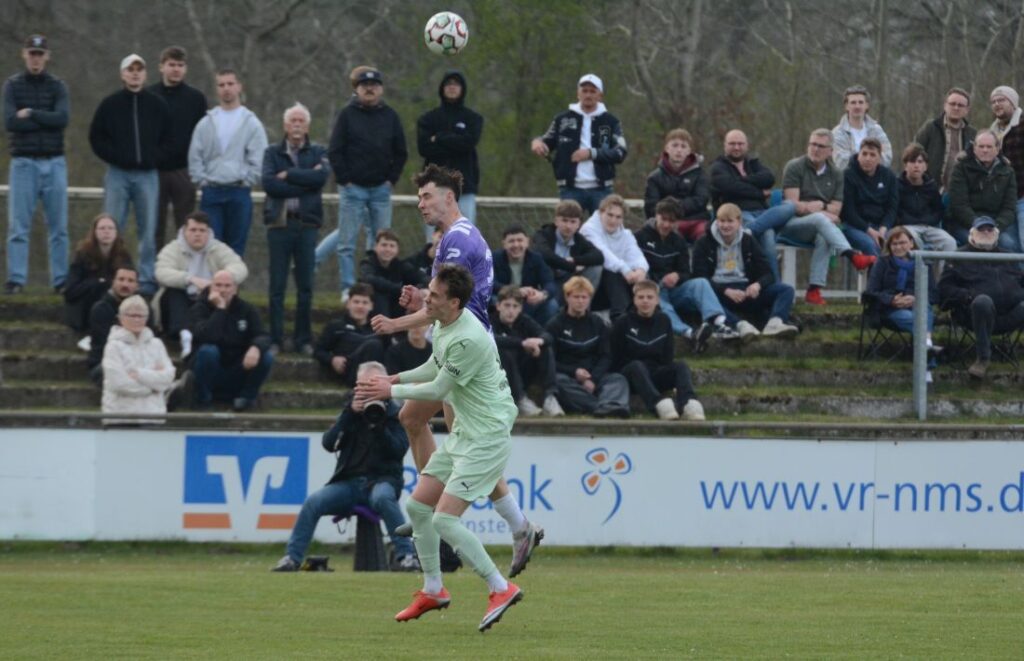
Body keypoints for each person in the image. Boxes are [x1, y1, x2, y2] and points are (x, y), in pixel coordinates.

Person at [370, 165, 542, 578]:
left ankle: (489, 521)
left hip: (466, 353)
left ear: (449, 197)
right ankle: (515, 526)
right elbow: (436, 303)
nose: (421, 204)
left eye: (427, 196)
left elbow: (441, 308)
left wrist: (396, 323)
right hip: (456, 345)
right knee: (415, 419)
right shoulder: (454, 238)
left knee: (462, 441)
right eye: (419, 198)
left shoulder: (457, 240)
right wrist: (418, 303)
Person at [355, 265, 524, 631]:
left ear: (455, 302)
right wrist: (394, 378)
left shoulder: (468, 338)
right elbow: (434, 365)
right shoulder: (445, 325)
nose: (425, 298)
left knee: (444, 519)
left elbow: (437, 390)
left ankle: (501, 587)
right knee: (418, 508)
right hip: (466, 433)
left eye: (432, 295)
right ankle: (433, 589)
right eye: (427, 291)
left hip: (487, 437)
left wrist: (389, 391)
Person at [273, 361, 418, 573]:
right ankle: (291, 558)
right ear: (356, 386)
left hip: (383, 480)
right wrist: (349, 414)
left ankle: (406, 556)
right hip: (349, 483)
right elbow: (328, 443)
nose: (368, 391)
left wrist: (379, 425)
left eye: (373, 385)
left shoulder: (396, 413)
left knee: (383, 498)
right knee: (314, 502)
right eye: (363, 385)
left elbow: (398, 450)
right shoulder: (350, 410)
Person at [320, 66, 407, 297]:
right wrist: (345, 180)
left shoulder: (390, 116)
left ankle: (374, 287)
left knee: (380, 245)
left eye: (374, 86)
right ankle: (348, 289)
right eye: (364, 86)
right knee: (346, 243)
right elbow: (335, 150)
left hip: (381, 190)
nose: (369, 89)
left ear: (381, 89)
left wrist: (391, 179)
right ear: (357, 89)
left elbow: (400, 152)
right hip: (353, 189)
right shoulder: (347, 115)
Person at [89, 53, 171, 296]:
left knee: (148, 229)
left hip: (147, 176)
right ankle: (111, 275)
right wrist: (117, 157)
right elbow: (96, 138)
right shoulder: (110, 104)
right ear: (123, 74)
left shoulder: (157, 105)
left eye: (139, 69)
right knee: (111, 228)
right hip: (118, 174)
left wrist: (152, 158)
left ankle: (145, 278)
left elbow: (169, 139)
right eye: (130, 69)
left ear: (145, 74)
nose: (135, 73)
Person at [3, 34, 69, 295]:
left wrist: (30, 113)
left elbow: (62, 119)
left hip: (54, 162)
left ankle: (60, 281)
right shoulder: (12, 85)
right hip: (23, 163)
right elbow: (10, 122)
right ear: (24, 55)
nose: (36, 58)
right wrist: (45, 118)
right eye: (32, 53)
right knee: (18, 227)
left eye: (40, 54)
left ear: (47, 57)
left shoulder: (58, 86)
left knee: (58, 228)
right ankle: (17, 279)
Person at [262, 102, 329, 355]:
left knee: (306, 286)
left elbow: (321, 178)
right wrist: (304, 180)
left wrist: (288, 174)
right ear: (285, 125)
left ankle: (303, 339)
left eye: (301, 121)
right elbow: (269, 184)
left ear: (308, 125)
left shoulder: (318, 151)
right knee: (277, 286)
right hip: (279, 225)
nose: (297, 125)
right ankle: (276, 339)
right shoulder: (271, 152)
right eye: (293, 121)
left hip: (307, 224)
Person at [782, 128, 877, 305]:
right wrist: (822, 212)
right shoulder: (794, 167)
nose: (815, 149)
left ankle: (814, 291)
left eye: (820, 146)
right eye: (812, 144)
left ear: (830, 151)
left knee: (824, 234)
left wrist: (821, 206)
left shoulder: (836, 174)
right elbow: (792, 206)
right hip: (791, 225)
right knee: (823, 220)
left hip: (819, 227)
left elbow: (836, 210)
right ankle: (852, 255)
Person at [187, 69, 268, 257]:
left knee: (235, 250)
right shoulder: (207, 122)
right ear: (216, 89)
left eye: (230, 84)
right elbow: (195, 155)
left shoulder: (251, 123)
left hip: (239, 192)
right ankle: (212, 287)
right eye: (221, 85)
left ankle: (232, 287)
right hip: (212, 192)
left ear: (239, 86)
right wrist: (202, 180)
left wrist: (247, 179)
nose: (226, 89)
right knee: (211, 248)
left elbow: (259, 157)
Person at [692, 203, 800, 340]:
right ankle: (739, 325)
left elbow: (768, 273)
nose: (725, 226)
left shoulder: (748, 240)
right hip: (719, 291)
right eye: (722, 221)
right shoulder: (703, 242)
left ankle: (775, 323)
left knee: (786, 290)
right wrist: (725, 290)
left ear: (739, 222)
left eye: (730, 221)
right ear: (716, 222)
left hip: (746, 289)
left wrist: (757, 285)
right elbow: (699, 276)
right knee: (706, 298)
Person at [635, 198, 734, 346]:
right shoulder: (639, 237)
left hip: (674, 290)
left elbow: (686, 272)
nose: (667, 224)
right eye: (664, 219)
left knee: (700, 283)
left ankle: (719, 322)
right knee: (661, 304)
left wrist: (677, 276)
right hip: (651, 290)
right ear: (656, 215)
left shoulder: (678, 241)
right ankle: (690, 333)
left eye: (672, 221)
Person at [938, 217, 1024, 379]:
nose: (986, 232)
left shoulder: (1009, 256)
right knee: (982, 301)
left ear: (996, 233)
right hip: (973, 314)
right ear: (972, 233)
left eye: (989, 229)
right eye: (981, 229)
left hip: (1010, 314)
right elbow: (944, 288)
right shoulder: (958, 257)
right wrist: (967, 296)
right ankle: (983, 359)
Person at [531, 73, 626, 215]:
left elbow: (621, 152)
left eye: (593, 91)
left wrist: (591, 153)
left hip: (601, 190)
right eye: (585, 91)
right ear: (578, 93)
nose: (588, 95)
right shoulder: (562, 119)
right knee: (568, 229)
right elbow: (547, 141)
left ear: (600, 95)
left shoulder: (611, 122)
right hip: (570, 189)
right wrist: (538, 143)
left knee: (602, 231)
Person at [709, 129, 796, 282]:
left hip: (763, 213)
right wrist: (760, 193)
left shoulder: (753, 163)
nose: (736, 147)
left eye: (740, 144)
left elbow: (768, 178)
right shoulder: (718, 167)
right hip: (739, 214)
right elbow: (729, 188)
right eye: (732, 144)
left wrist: (740, 181)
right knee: (767, 234)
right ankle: (774, 286)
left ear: (747, 146)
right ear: (725, 146)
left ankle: (750, 231)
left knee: (790, 205)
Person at [154, 211, 247, 354]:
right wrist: (190, 279)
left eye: (202, 230)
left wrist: (219, 281)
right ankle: (182, 334)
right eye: (193, 230)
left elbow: (240, 269)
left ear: (209, 232)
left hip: (210, 299)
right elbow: (161, 272)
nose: (197, 234)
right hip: (182, 299)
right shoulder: (173, 248)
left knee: (227, 290)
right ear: (185, 231)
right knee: (172, 292)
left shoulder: (218, 248)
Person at [611, 280, 705, 420]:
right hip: (631, 375)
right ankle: (658, 405)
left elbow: (667, 356)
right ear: (634, 300)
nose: (645, 301)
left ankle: (688, 404)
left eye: (650, 297)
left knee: (681, 365)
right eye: (641, 297)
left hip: (655, 372)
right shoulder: (622, 322)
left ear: (657, 300)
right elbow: (616, 358)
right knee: (636, 366)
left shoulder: (664, 320)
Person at [184, 269, 273, 411]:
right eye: (218, 285)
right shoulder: (198, 309)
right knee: (209, 351)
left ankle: (246, 399)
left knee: (266, 356)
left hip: (239, 368)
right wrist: (220, 309)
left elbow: (264, 336)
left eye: (227, 286)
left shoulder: (247, 309)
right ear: (211, 287)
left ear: (235, 289)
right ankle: (203, 400)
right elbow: (208, 336)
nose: (223, 290)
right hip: (208, 369)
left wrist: (255, 347)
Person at [545, 275, 630, 417]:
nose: (580, 301)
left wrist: (593, 379)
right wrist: (574, 372)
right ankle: (603, 405)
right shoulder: (554, 324)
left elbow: (606, 356)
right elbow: (550, 360)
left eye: (584, 297)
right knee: (558, 382)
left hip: (594, 375)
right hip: (568, 376)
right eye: (576, 297)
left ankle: (603, 405)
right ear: (567, 297)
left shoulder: (598, 323)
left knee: (618, 379)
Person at [149, 46, 208, 248]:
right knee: (153, 227)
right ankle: (153, 276)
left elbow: (203, 137)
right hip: (153, 171)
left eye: (180, 65)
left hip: (184, 170)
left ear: (186, 69)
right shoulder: (148, 95)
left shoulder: (196, 98)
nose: (176, 69)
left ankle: (184, 275)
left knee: (187, 228)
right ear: (161, 67)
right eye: (171, 65)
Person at [865, 227, 939, 374]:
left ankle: (926, 356)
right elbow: (870, 292)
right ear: (889, 246)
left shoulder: (924, 263)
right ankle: (928, 353)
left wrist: (916, 298)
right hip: (890, 309)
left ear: (911, 243)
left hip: (919, 305)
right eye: (894, 244)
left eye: (902, 243)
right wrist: (891, 299)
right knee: (916, 319)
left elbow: (934, 294)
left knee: (923, 310)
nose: (898, 247)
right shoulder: (882, 263)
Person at [416, 70, 482, 233]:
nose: (452, 87)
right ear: (441, 88)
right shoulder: (428, 119)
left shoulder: (473, 118)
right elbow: (424, 148)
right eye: (448, 84)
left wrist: (438, 137)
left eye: (456, 84)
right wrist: (456, 140)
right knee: (434, 240)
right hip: (433, 187)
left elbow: (468, 143)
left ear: (463, 89)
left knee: (464, 236)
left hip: (464, 187)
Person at [101, 294, 175, 424]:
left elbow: (168, 378)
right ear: (121, 318)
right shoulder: (113, 346)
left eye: (141, 316)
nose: (137, 319)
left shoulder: (157, 344)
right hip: (120, 419)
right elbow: (119, 383)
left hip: (153, 417)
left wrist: (140, 374)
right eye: (131, 315)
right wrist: (153, 387)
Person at [491, 285, 563, 417]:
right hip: (500, 376)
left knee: (545, 348)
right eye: (507, 305)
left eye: (515, 306)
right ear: (498, 306)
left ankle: (550, 398)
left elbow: (547, 336)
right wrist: (522, 343)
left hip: (523, 371)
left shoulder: (524, 320)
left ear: (520, 308)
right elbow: (491, 339)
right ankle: (520, 400)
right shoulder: (490, 321)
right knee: (504, 351)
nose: (511, 311)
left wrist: (538, 342)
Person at [64, 213, 133, 341]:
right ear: (94, 232)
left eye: (110, 228)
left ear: (116, 232)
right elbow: (70, 290)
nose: (106, 232)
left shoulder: (124, 255)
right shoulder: (82, 254)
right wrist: (97, 282)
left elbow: (131, 283)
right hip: (85, 305)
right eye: (102, 228)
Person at [579, 194, 648, 319]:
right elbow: (603, 254)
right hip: (591, 286)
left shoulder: (625, 234)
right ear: (601, 212)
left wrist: (641, 270)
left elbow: (636, 255)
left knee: (642, 275)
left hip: (615, 286)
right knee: (610, 271)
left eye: (618, 217)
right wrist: (625, 270)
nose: (613, 220)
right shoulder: (588, 230)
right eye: (610, 215)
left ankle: (647, 316)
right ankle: (620, 317)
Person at [947, 129, 1017, 249]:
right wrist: (978, 225)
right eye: (981, 146)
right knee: (977, 243)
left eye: (989, 147)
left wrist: (996, 227)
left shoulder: (1008, 171)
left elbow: (1009, 208)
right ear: (974, 148)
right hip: (966, 222)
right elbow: (959, 205)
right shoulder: (961, 168)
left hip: (996, 223)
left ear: (997, 148)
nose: (985, 150)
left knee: (1008, 243)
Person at [643, 128, 710, 241]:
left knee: (704, 236)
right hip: (667, 222)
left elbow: (701, 200)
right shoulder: (654, 177)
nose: (679, 150)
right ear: (667, 148)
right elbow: (651, 206)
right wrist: (670, 216)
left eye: (683, 146)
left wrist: (673, 207)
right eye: (675, 145)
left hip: (696, 220)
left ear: (689, 151)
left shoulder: (700, 174)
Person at [314, 283, 385, 386]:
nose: (360, 306)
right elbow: (318, 351)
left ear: (371, 306)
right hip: (349, 370)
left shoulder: (377, 328)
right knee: (373, 345)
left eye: (365, 303)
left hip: (374, 371)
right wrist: (332, 359)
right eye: (356, 302)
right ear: (348, 304)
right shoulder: (336, 326)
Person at [530, 199, 604, 296]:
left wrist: (575, 260)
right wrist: (571, 266)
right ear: (556, 221)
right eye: (564, 220)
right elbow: (545, 254)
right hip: (547, 282)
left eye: (573, 222)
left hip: (568, 280)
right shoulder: (544, 234)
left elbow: (599, 256)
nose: (568, 226)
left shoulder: (579, 239)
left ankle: (584, 305)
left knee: (596, 268)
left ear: (579, 224)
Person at [87, 266, 146, 386]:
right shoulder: (100, 309)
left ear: (137, 285)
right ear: (113, 282)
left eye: (130, 281)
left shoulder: (145, 309)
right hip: (106, 364)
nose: (125, 284)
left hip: (140, 363)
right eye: (121, 279)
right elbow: (106, 346)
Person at [841, 138, 899, 257]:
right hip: (855, 227)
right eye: (864, 154)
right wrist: (870, 231)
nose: (868, 158)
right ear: (858, 155)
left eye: (872, 155)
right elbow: (848, 211)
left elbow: (892, 208)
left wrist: (884, 228)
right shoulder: (848, 175)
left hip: (882, 227)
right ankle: (876, 276)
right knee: (871, 245)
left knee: (900, 243)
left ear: (879, 158)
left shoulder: (888, 176)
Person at [492, 225, 560, 325]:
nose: (516, 245)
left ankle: (539, 335)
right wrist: (515, 291)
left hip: (528, 301)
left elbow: (549, 282)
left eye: (520, 240)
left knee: (552, 305)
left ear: (527, 242)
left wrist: (542, 294)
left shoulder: (536, 258)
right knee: (491, 300)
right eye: (511, 241)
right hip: (504, 300)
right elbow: (489, 283)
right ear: (504, 244)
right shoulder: (494, 258)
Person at [895, 143, 956, 252]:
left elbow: (938, 210)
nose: (916, 165)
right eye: (912, 161)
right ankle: (920, 269)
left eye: (920, 162)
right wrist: (912, 221)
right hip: (906, 228)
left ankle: (943, 269)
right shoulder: (897, 185)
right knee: (915, 242)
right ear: (905, 165)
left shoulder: (931, 186)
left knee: (949, 242)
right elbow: (896, 211)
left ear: (925, 166)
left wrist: (928, 220)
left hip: (929, 227)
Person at [914, 87, 977, 192]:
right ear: (945, 105)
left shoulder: (973, 134)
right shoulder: (931, 127)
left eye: (960, 105)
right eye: (952, 104)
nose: (956, 108)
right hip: (930, 190)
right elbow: (913, 153)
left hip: (961, 193)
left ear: (967, 110)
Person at [360, 229, 427, 319]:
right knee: (380, 295)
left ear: (397, 249)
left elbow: (422, 278)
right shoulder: (367, 262)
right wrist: (399, 288)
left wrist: (416, 289)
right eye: (384, 245)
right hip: (375, 306)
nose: (388, 249)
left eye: (392, 246)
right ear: (376, 247)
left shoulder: (401, 265)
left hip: (396, 307)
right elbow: (369, 279)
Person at [990, 85, 1024, 253]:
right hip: (1006, 201)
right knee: (1010, 248)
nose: (997, 104)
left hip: (1023, 196)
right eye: (994, 101)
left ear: (1013, 103)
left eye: (1001, 100)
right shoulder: (992, 132)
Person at [831, 85, 893, 170]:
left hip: (875, 179)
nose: (857, 106)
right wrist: (872, 158)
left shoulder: (877, 130)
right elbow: (841, 162)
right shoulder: (837, 133)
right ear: (846, 106)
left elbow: (887, 157)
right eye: (853, 102)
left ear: (867, 105)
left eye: (861, 102)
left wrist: (858, 159)